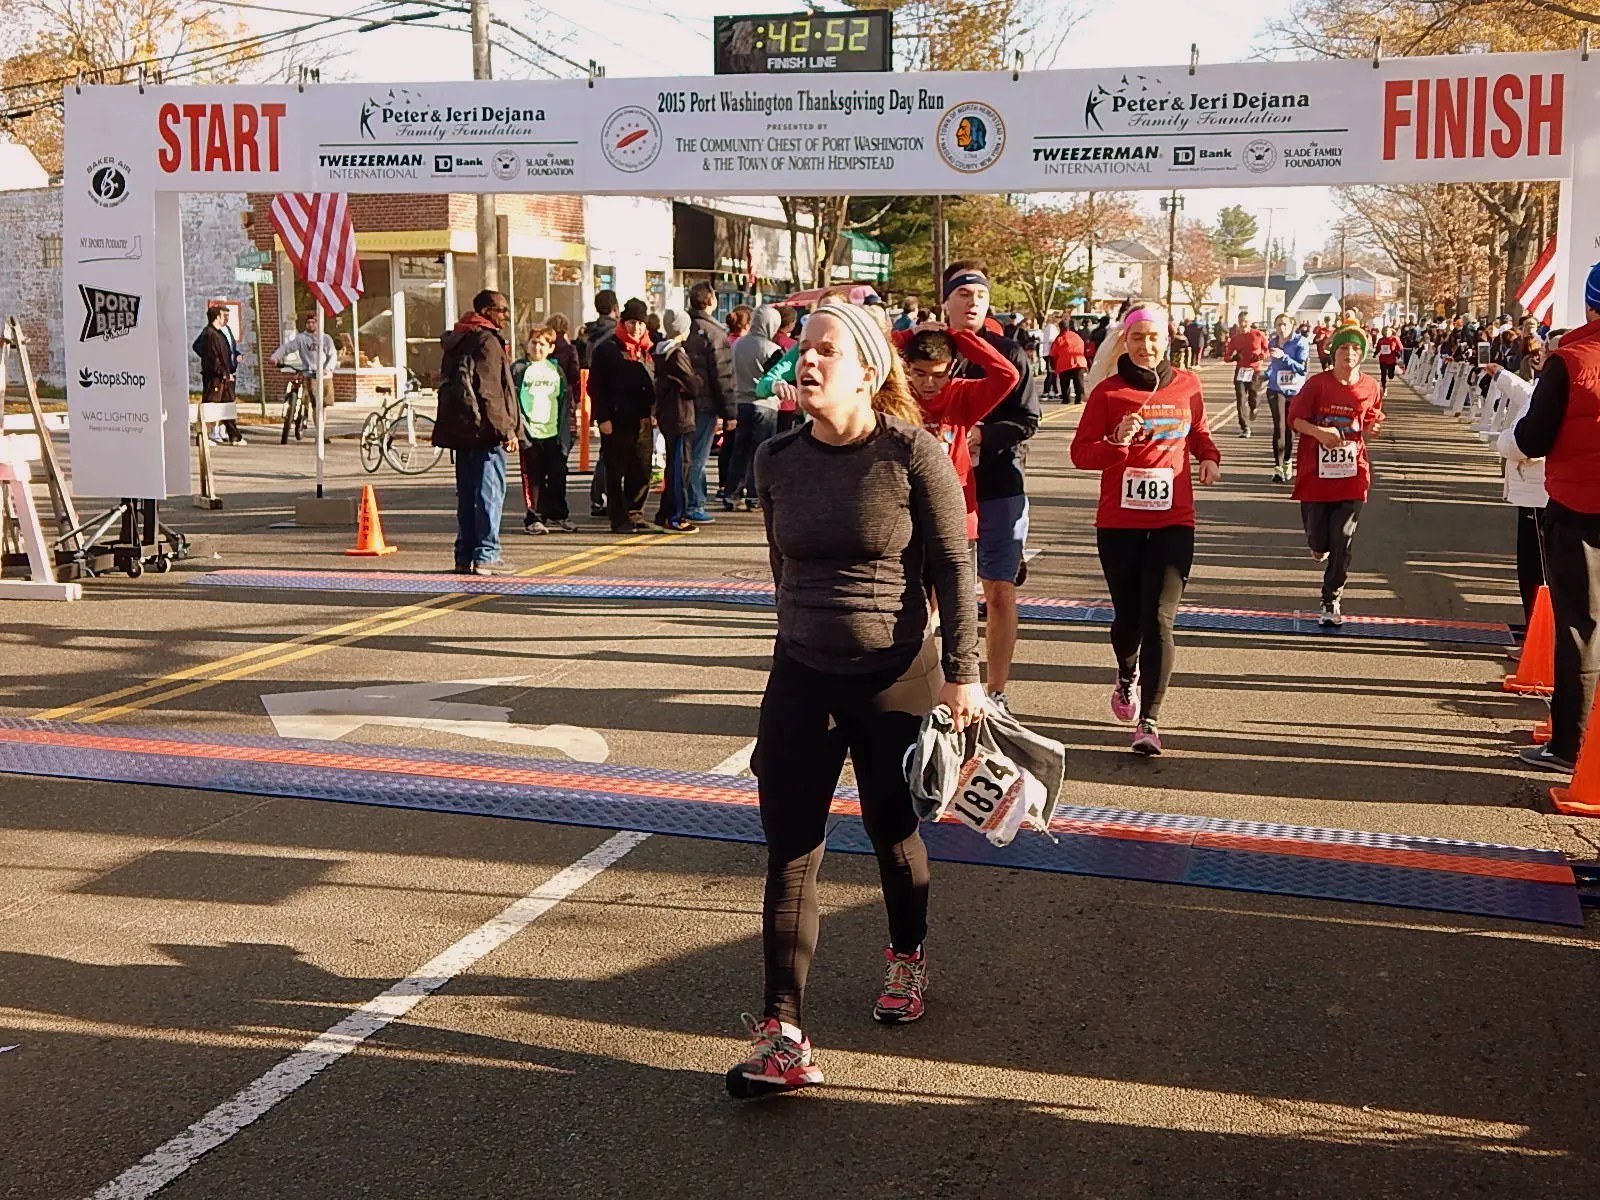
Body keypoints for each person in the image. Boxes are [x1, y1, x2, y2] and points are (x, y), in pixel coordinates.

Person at [729, 302, 981, 1098]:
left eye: (825, 352)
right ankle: (783, 1033)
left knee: (890, 830)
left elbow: (954, 569)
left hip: (894, 676)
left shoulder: (914, 453)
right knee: (790, 850)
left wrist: (964, 671)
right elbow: (783, 568)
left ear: (869, 372)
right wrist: (802, 637)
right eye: (802, 351)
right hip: (801, 673)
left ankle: (907, 956)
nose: (805, 363)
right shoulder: (775, 460)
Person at [1070, 305, 1222, 756]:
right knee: (1129, 619)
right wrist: (1116, 442)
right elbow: (1080, 453)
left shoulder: (1188, 385)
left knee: (1160, 618)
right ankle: (1126, 672)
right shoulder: (1109, 393)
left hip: (1174, 517)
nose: (1146, 346)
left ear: (1167, 339)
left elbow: (1198, 432)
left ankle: (1149, 721)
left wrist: (1209, 457)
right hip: (1119, 521)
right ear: (1125, 342)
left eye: (1154, 337)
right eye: (1138, 338)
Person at [1511, 263, 1600, 774]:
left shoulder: (1569, 361)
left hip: (1578, 510)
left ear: (1590, 305)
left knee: (1581, 628)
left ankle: (1570, 745)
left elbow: (1532, 439)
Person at [942, 260, 1038, 711]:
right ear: (945, 301)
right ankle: (933, 680)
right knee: (936, 591)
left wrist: (981, 435)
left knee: (998, 589)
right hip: (940, 487)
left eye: (980, 294)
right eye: (963, 293)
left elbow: (1028, 419)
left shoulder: (1009, 352)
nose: (973, 301)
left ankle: (997, 691)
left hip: (999, 484)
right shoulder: (931, 349)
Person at [1289, 323, 1384, 626]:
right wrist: (1319, 432)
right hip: (1316, 474)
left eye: (1356, 348)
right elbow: (1295, 420)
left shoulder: (1371, 386)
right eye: (1344, 348)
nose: (1350, 353)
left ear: (1363, 355)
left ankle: (1331, 599)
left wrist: (1372, 428)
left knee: (1343, 540)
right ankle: (1318, 546)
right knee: (1320, 541)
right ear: (1334, 352)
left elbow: (1371, 419)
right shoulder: (1317, 385)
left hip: (1352, 474)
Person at [898, 324, 1019, 541]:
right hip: (906, 515)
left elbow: (1007, 375)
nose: (929, 383)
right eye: (920, 373)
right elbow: (862, 361)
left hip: (956, 515)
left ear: (952, 367)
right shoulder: (896, 397)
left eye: (939, 375)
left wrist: (956, 335)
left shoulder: (962, 394)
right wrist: (907, 335)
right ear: (907, 367)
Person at [433, 290, 520, 575]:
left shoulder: (458, 339)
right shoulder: (487, 341)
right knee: (489, 493)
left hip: (461, 430)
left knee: (468, 494)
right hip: (486, 432)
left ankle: (464, 554)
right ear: (485, 310)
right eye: (501, 310)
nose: (505, 316)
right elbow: (491, 392)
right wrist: (507, 430)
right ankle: (487, 554)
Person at [1487, 339, 1557, 632]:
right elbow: (1525, 394)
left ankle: (1539, 636)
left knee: (1537, 571)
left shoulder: (1558, 388)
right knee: (1532, 568)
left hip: (1539, 492)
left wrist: (1504, 442)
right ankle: (1536, 630)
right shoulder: (1545, 386)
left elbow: (1530, 441)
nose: (1541, 353)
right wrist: (1501, 375)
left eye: (1549, 349)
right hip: (1532, 490)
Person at [588, 298, 657, 535]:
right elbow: (595, 386)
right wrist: (602, 418)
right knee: (615, 470)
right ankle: (618, 518)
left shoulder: (651, 347)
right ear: (622, 322)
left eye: (640, 323)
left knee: (642, 468)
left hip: (643, 418)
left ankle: (635, 512)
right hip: (616, 418)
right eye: (631, 322)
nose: (636, 328)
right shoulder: (608, 349)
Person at [511, 325, 575, 535]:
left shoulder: (556, 370)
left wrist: (568, 430)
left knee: (558, 474)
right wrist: (516, 429)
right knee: (534, 478)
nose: (537, 347)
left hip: (554, 432)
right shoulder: (519, 369)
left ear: (550, 348)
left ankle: (558, 514)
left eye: (542, 344)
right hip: (530, 432)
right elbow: (511, 400)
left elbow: (565, 401)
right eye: (534, 343)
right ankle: (534, 518)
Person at [684, 283, 737, 517]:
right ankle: (694, 503)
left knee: (685, 454)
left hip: (683, 402)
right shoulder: (715, 333)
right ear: (711, 301)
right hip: (705, 404)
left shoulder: (684, 328)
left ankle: (685, 500)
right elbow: (722, 375)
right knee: (698, 456)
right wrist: (730, 413)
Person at [727, 304, 785, 512]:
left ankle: (731, 493)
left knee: (739, 450)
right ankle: (754, 495)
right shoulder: (772, 350)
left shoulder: (738, 344)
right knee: (760, 452)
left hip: (740, 402)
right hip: (765, 405)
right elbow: (779, 379)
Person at [652, 309, 700, 534]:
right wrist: (697, 380)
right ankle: (675, 516)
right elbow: (692, 385)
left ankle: (665, 513)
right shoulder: (677, 353)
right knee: (680, 467)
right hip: (680, 415)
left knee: (674, 465)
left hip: (668, 413)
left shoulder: (660, 352)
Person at [577, 293, 619, 519]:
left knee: (606, 451)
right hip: (612, 395)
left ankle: (598, 497)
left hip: (595, 392)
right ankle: (606, 496)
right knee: (612, 453)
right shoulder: (613, 334)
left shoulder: (588, 334)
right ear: (615, 307)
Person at [1264, 312, 1310, 483]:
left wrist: (1284, 356)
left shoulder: (1300, 343)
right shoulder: (1273, 342)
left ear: (1292, 325)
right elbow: (1274, 366)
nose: (1281, 328)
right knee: (1279, 427)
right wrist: (1265, 374)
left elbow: (1302, 369)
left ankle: (1288, 462)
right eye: (1278, 325)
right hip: (1276, 389)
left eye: (1285, 324)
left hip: (1295, 391)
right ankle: (1277, 467)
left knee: (1290, 428)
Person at [193, 305, 244, 445]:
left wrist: (229, 371)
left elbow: (226, 353)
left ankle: (235, 436)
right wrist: (223, 373)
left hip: (225, 376)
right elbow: (213, 358)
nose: (225, 318)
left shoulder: (220, 333)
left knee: (227, 406)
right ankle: (203, 436)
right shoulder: (210, 334)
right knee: (210, 406)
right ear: (217, 317)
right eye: (224, 315)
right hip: (214, 377)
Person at [270, 311, 337, 415]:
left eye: (313, 322)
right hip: (309, 375)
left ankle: (321, 429)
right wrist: (276, 357)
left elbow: (332, 355)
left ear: (318, 323)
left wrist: (328, 369)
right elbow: (287, 348)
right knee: (312, 404)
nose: (311, 324)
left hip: (324, 376)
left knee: (322, 407)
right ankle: (305, 422)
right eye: (308, 322)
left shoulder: (326, 338)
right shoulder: (301, 338)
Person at [1223, 314, 1269, 437]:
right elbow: (1226, 357)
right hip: (1241, 371)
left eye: (1245, 322)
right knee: (1241, 400)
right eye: (1241, 322)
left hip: (1255, 371)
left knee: (1253, 396)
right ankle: (1245, 427)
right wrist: (1235, 357)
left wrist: (1260, 356)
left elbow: (1267, 351)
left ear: (1250, 322)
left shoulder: (1258, 335)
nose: (1243, 324)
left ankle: (1254, 407)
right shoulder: (1235, 338)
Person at [1049, 319, 1088, 405]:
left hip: (1064, 364)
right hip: (1078, 362)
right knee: (1078, 383)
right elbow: (1082, 346)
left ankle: (1066, 399)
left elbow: (1053, 353)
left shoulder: (1059, 338)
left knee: (1064, 384)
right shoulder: (1076, 336)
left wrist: (1053, 365)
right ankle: (1079, 399)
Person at [1374, 325, 1403, 396]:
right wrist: (1375, 353)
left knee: (1390, 376)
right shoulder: (1381, 340)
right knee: (1383, 375)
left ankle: (1391, 375)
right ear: (1383, 332)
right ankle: (1384, 388)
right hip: (1383, 359)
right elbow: (1378, 348)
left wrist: (1397, 353)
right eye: (1385, 331)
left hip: (1392, 360)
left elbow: (1400, 348)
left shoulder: (1395, 339)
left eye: (1388, 331)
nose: (1386, 332)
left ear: (1391, 332)